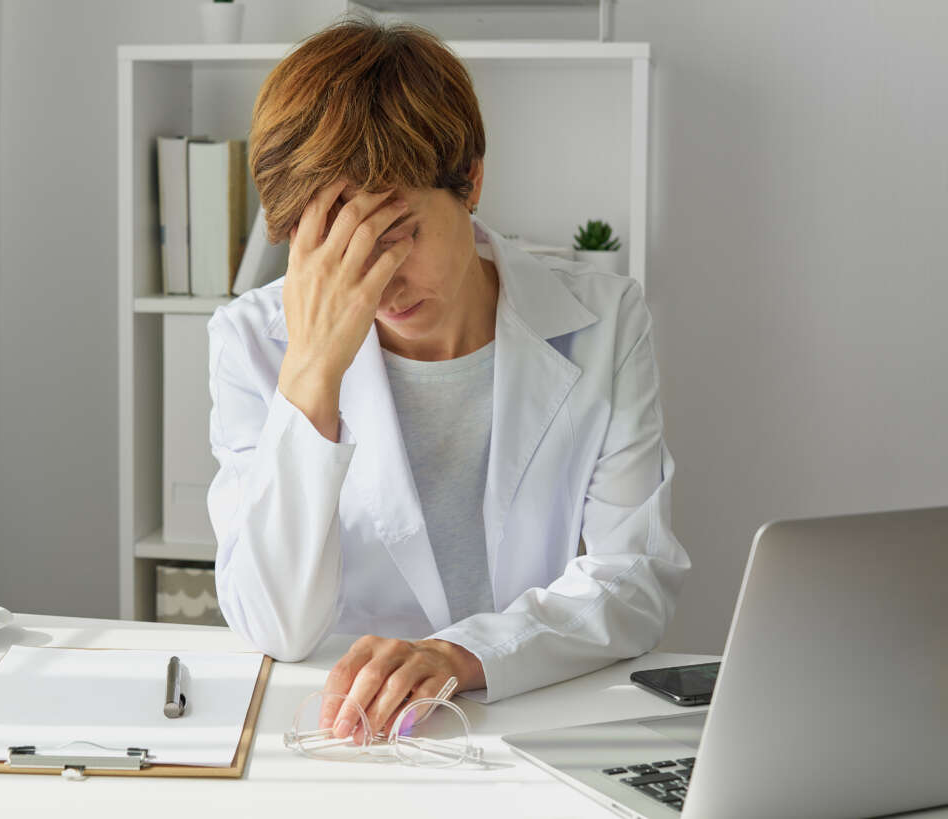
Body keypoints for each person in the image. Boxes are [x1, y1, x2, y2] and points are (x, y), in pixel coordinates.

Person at [206, 17, 690, 744]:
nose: (374, 280)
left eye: (394, 233)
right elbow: (278, 626)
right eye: (337, 246)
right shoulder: (251, 341)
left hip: (535, 724)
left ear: (470, 181)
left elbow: (634, 580)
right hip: (345, 741)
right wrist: (312, 369)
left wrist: (459, 654)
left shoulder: (606, 319)